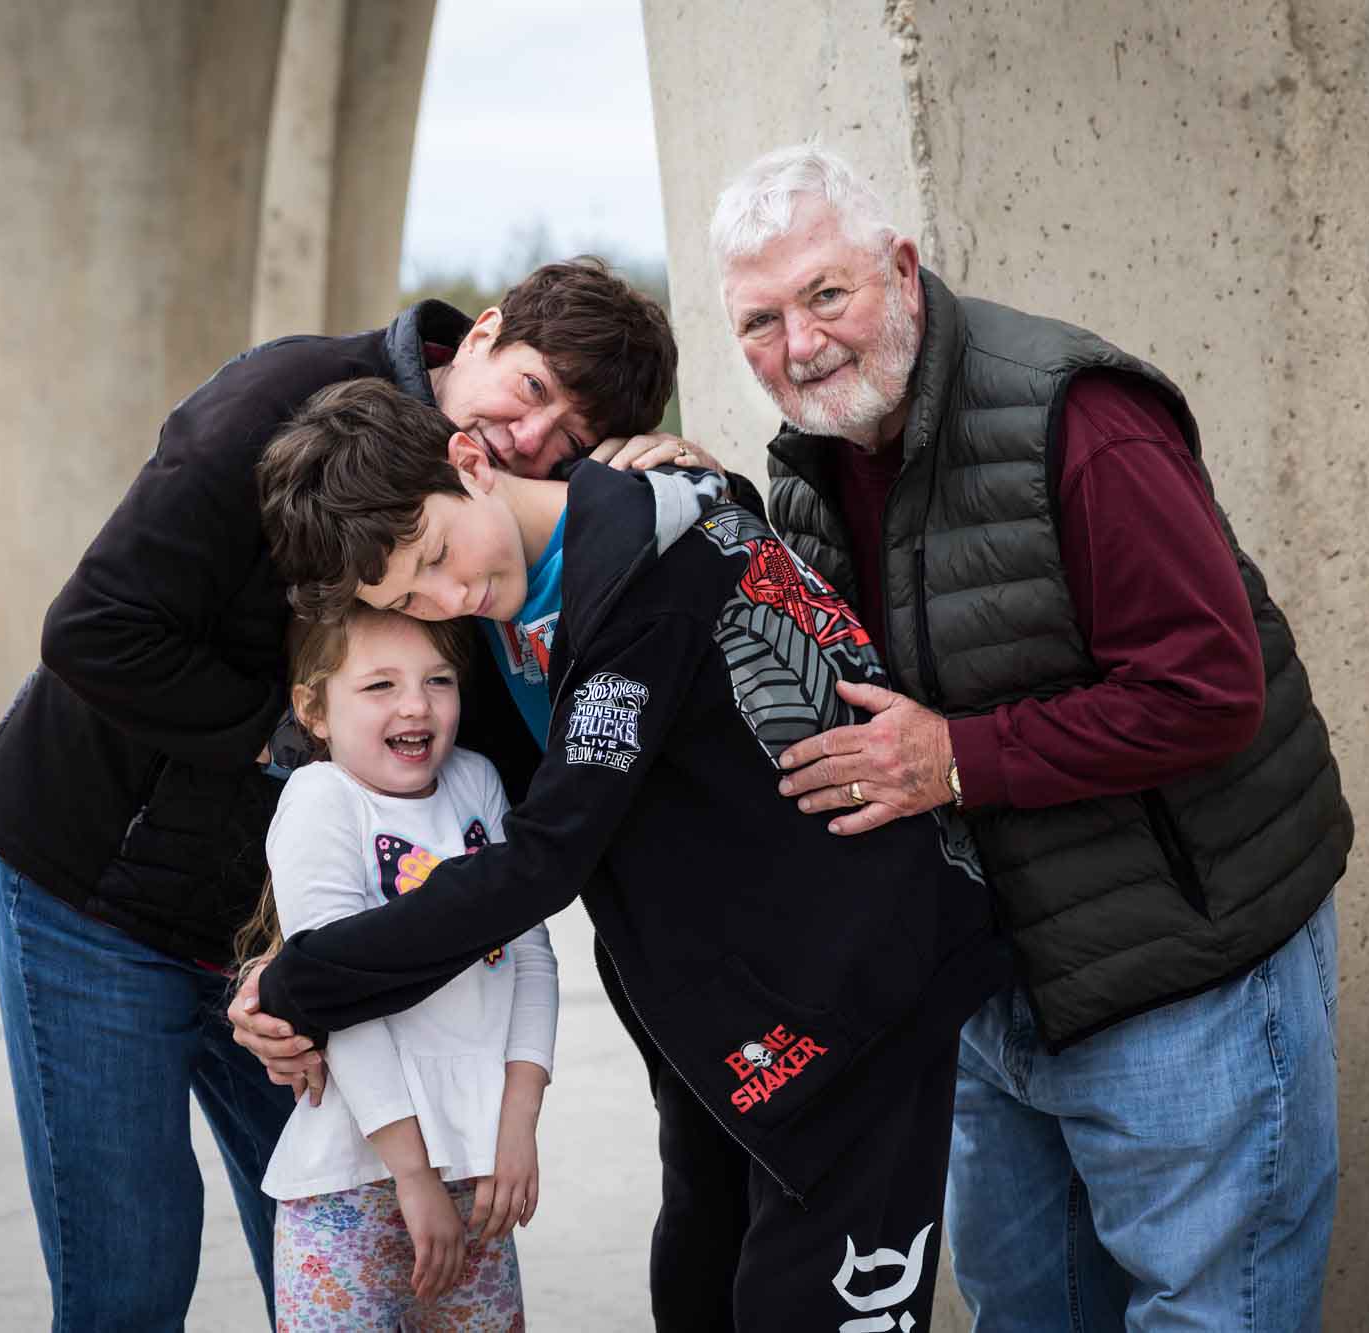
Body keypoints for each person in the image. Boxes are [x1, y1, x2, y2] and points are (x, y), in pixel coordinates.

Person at [0, 259, 703, 1331]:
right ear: (483, 334)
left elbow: (489, 781)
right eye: (535, 391)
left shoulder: (502, 545)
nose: (533, 439)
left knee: (349, 1270)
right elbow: (94, 629)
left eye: (572, 440)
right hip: (96, 897)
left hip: (306, 938)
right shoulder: (280, 401)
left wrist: (670, 497)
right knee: (128, 1277)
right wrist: (303, 747)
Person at [710, 144, 1354, 1330]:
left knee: (1211, 1314)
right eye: (759, 320)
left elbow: (1208, 688)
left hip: (1182, 975)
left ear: (901, 270)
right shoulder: (806, 467)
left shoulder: (1075, 416)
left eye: (824, 295)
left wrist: (953, 758)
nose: (798, 346)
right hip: (991, 993)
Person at [244, 377, 1011, 1331]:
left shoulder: (643, 580)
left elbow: (545, 857)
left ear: (470, 461)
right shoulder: (526, 588)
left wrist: (309, 980)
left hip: (860, 986)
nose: (450, 598)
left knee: (804, 1305)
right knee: (697, 1283)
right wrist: (290, 961)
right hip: (723, 1011)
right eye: (410, 595)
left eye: (437, 558)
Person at [238, 605, 555, 1329]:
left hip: (480, 1183)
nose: (416, 703)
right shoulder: (322, 799)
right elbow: (334, 992)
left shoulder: (475, 781)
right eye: (380, 684)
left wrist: (517, 1122)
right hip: (349, 1195)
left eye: (438, 679)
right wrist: (412, 1175)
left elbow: (530, 953)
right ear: (313, 708)